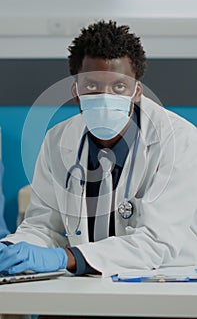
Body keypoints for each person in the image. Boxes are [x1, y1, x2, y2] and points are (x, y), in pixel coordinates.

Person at [0, 20, 197, 280]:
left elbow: (155, 242)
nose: (105, 96)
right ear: (76, 90)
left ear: (136, 91)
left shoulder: (178, 140)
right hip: (84, 284)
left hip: (161, 284)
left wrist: (66, 257)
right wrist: (11, 248)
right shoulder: (58, 140)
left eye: (119, 87)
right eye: (91, 86)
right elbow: (44, 226)